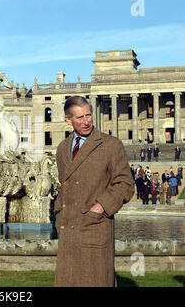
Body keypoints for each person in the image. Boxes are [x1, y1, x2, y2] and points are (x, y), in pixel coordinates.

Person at [54, 96, 134, 287]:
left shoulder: (110, 145)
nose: (87, 121)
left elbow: (125, 184)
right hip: (68, 228)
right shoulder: (62, 148)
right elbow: (65, 185)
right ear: (68, 120)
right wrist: (59, 212)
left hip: (95, 226)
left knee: (95, 281)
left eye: (88, 115)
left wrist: (101, 207)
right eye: (80, 117)